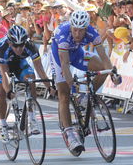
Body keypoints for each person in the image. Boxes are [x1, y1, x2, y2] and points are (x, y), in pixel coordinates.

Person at [51, 10, 121, 153]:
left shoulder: (92, 32)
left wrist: (113, 73)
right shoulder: (64, 35)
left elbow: (103, 56)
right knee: (64, 95)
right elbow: (65, 64)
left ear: (86, 28)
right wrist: (72, 85)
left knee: (102, 68)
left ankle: (86, 97)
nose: (77, 34)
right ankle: (69, 134)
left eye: (81, 31)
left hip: (77, 54)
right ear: (71, 27)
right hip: (59, 57)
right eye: (75, 30)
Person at [0, 25, 55, 143]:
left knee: (31, 78)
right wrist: (8, 91)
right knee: (0, 91)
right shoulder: (3, 47)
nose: (19, 48)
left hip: (19, 63)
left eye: (21, 45)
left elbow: (40, 69)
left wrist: (49, 87)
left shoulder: (30, 46)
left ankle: (32, 117)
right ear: (10, 43)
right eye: (15, 46)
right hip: (3, 65)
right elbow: (4, 74)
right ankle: (3, 124)